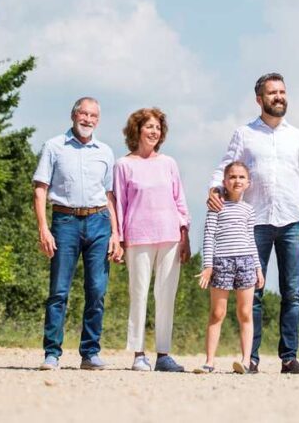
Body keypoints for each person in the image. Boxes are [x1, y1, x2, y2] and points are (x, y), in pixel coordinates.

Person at [207, 72, 299, 374]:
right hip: (253, 221)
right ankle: (250, 358)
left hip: (292, 220)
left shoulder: (298, 136)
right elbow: (224, 167)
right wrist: (215, 189)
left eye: (282, 92)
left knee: (291, 292)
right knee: (252, 290)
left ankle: (288, 357)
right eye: (272, 93)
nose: (279, 97)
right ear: (260, 99)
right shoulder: (244, 134)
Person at [33, 97, 121, 371]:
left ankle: (90, 353)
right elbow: (40, 188)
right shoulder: (54, 146)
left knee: (96, 290)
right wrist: (43, 228)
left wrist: (115, 233)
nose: (88, 119)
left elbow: (109, 196)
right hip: (65, 222)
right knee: (59, 291)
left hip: (99, 222)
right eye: (83, 114)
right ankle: (52, 353)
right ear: (73, 116)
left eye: (93, 115)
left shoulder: (105, 151)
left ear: (98, 120)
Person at [113, 107, 191, 373]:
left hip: (170, 235)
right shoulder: (123, 165)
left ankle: (163, 354)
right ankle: (138, 353)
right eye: (149, 126)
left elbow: (180, 201)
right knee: (139, 294)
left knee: (166, 295)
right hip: (138, 236)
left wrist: (185, 235)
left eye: (157, 127)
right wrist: (120, 240)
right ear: (137, 130)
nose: (154, 131)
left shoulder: (169, 163)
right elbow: (120, 205)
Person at [197, 161, 264, 374]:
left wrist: (258, 267)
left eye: (241, 177)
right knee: (218, 312)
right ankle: (209, 361)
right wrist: (208, 265)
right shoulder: (216, 206)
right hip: (221, 263)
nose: (237, 181)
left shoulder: (248, 210)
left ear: (248, 183)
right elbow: (209, 236)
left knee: (245, 312)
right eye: (232, 177)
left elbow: (251, 239)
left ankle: (245, 361)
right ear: (224, 181)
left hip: (245, 263)